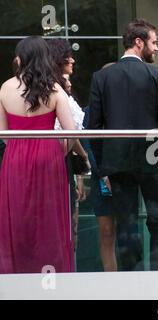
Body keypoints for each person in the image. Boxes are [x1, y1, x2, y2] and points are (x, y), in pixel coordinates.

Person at [87, 18, 158, 271]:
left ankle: (132, 286)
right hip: (155, 160)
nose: (157, 48)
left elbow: (93, 128)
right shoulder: (157, 75)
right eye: (154, 42)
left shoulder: (101, 77)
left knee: (126, 225)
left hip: (118, 163)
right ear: (139, 42)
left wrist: (104, 167)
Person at [0, 35, 76, 273]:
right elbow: (71, 131)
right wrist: (60, 149)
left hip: (15, 154)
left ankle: (17, 276)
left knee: (18, 215)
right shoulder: (54, 89)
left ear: (20, 58)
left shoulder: (5, 88)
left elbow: (3, 133)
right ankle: (51, 280)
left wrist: (18, 145)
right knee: (49, 219)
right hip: (49, 154)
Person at [48, 38, 89, 252]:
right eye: (67, 56)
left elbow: (71, 131)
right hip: (54, 159)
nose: (72, 60)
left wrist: (82, 156)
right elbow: (64, 127)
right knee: (60, 218)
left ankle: (66, 266)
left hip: (64, 159)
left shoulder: (61, 86)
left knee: (70, 221)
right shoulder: (53, 89)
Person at [81, 62, 117, 272]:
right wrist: (104, 174)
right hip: (101, 178)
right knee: (106, 233)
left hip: (124, 178)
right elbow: (88, 146)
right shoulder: (90, 111)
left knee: (128, 235)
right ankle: (111, 285)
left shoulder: (127, 108)